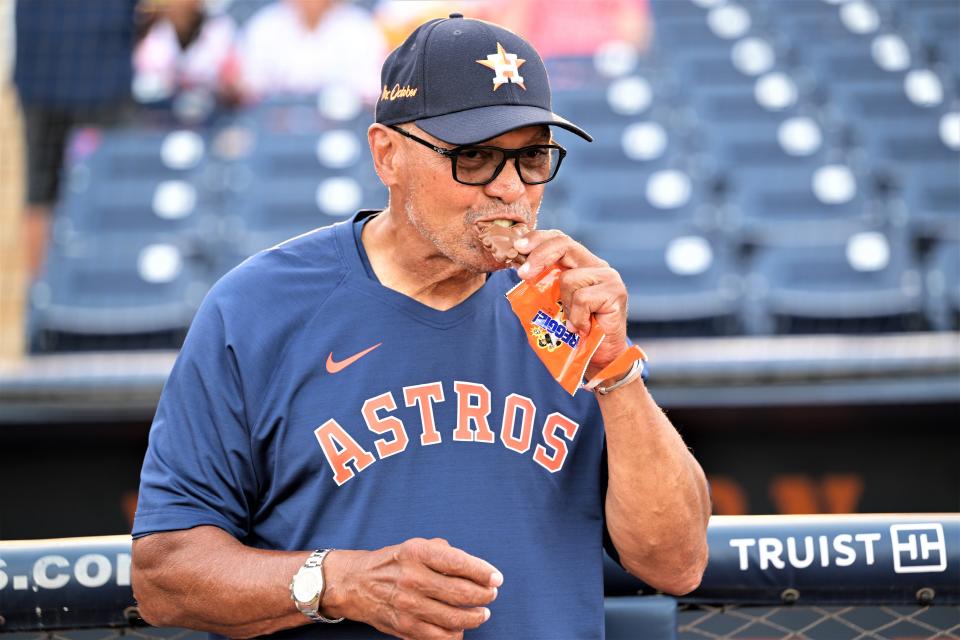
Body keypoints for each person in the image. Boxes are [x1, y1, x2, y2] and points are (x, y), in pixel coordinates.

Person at [130, 13, 710, 640]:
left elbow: (676, 563)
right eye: (476, 157)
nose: (510, 189)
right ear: (387, 155)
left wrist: (615, 372)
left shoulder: (562, 310)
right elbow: (165, 575)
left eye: (532, 155)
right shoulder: (260, 307)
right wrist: (341, 582)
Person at [238, 0, 386, 103]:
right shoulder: (265, 25)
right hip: (275, 127)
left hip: (341, 126)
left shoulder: (359, 26)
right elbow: (251, 86)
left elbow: (370, 90)